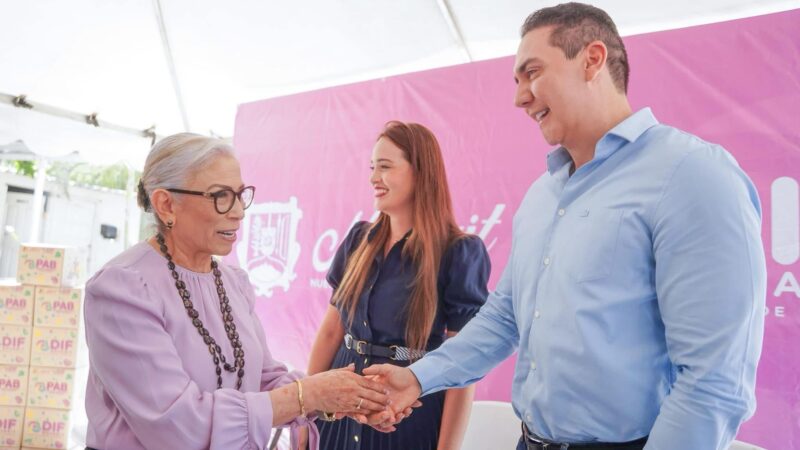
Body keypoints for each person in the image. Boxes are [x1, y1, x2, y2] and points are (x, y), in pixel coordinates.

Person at [362, 3, 767, 450]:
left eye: (531, 72)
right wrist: (418, 378)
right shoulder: (543, 195)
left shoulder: (692, 175)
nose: (520, 97)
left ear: (592, 59)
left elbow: (713, 380)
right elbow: (502, 318)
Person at [83, 133, 393, 450]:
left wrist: (349, 393)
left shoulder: (232, 282)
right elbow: (177, 423)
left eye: (240, 195)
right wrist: (306, 395)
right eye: (220, 196)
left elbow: (262, 379)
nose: (238, 212)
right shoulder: (122, 289)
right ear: (166, 204)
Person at [307, 121, 491, 450]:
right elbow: (331, 333)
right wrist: (306, 413)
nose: (373, 178)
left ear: (420, 172)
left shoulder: (458, 252)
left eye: (385, 167)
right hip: (337, 413)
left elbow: (462, 367)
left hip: (407, 420)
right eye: (372, 167)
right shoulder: (358, 241)